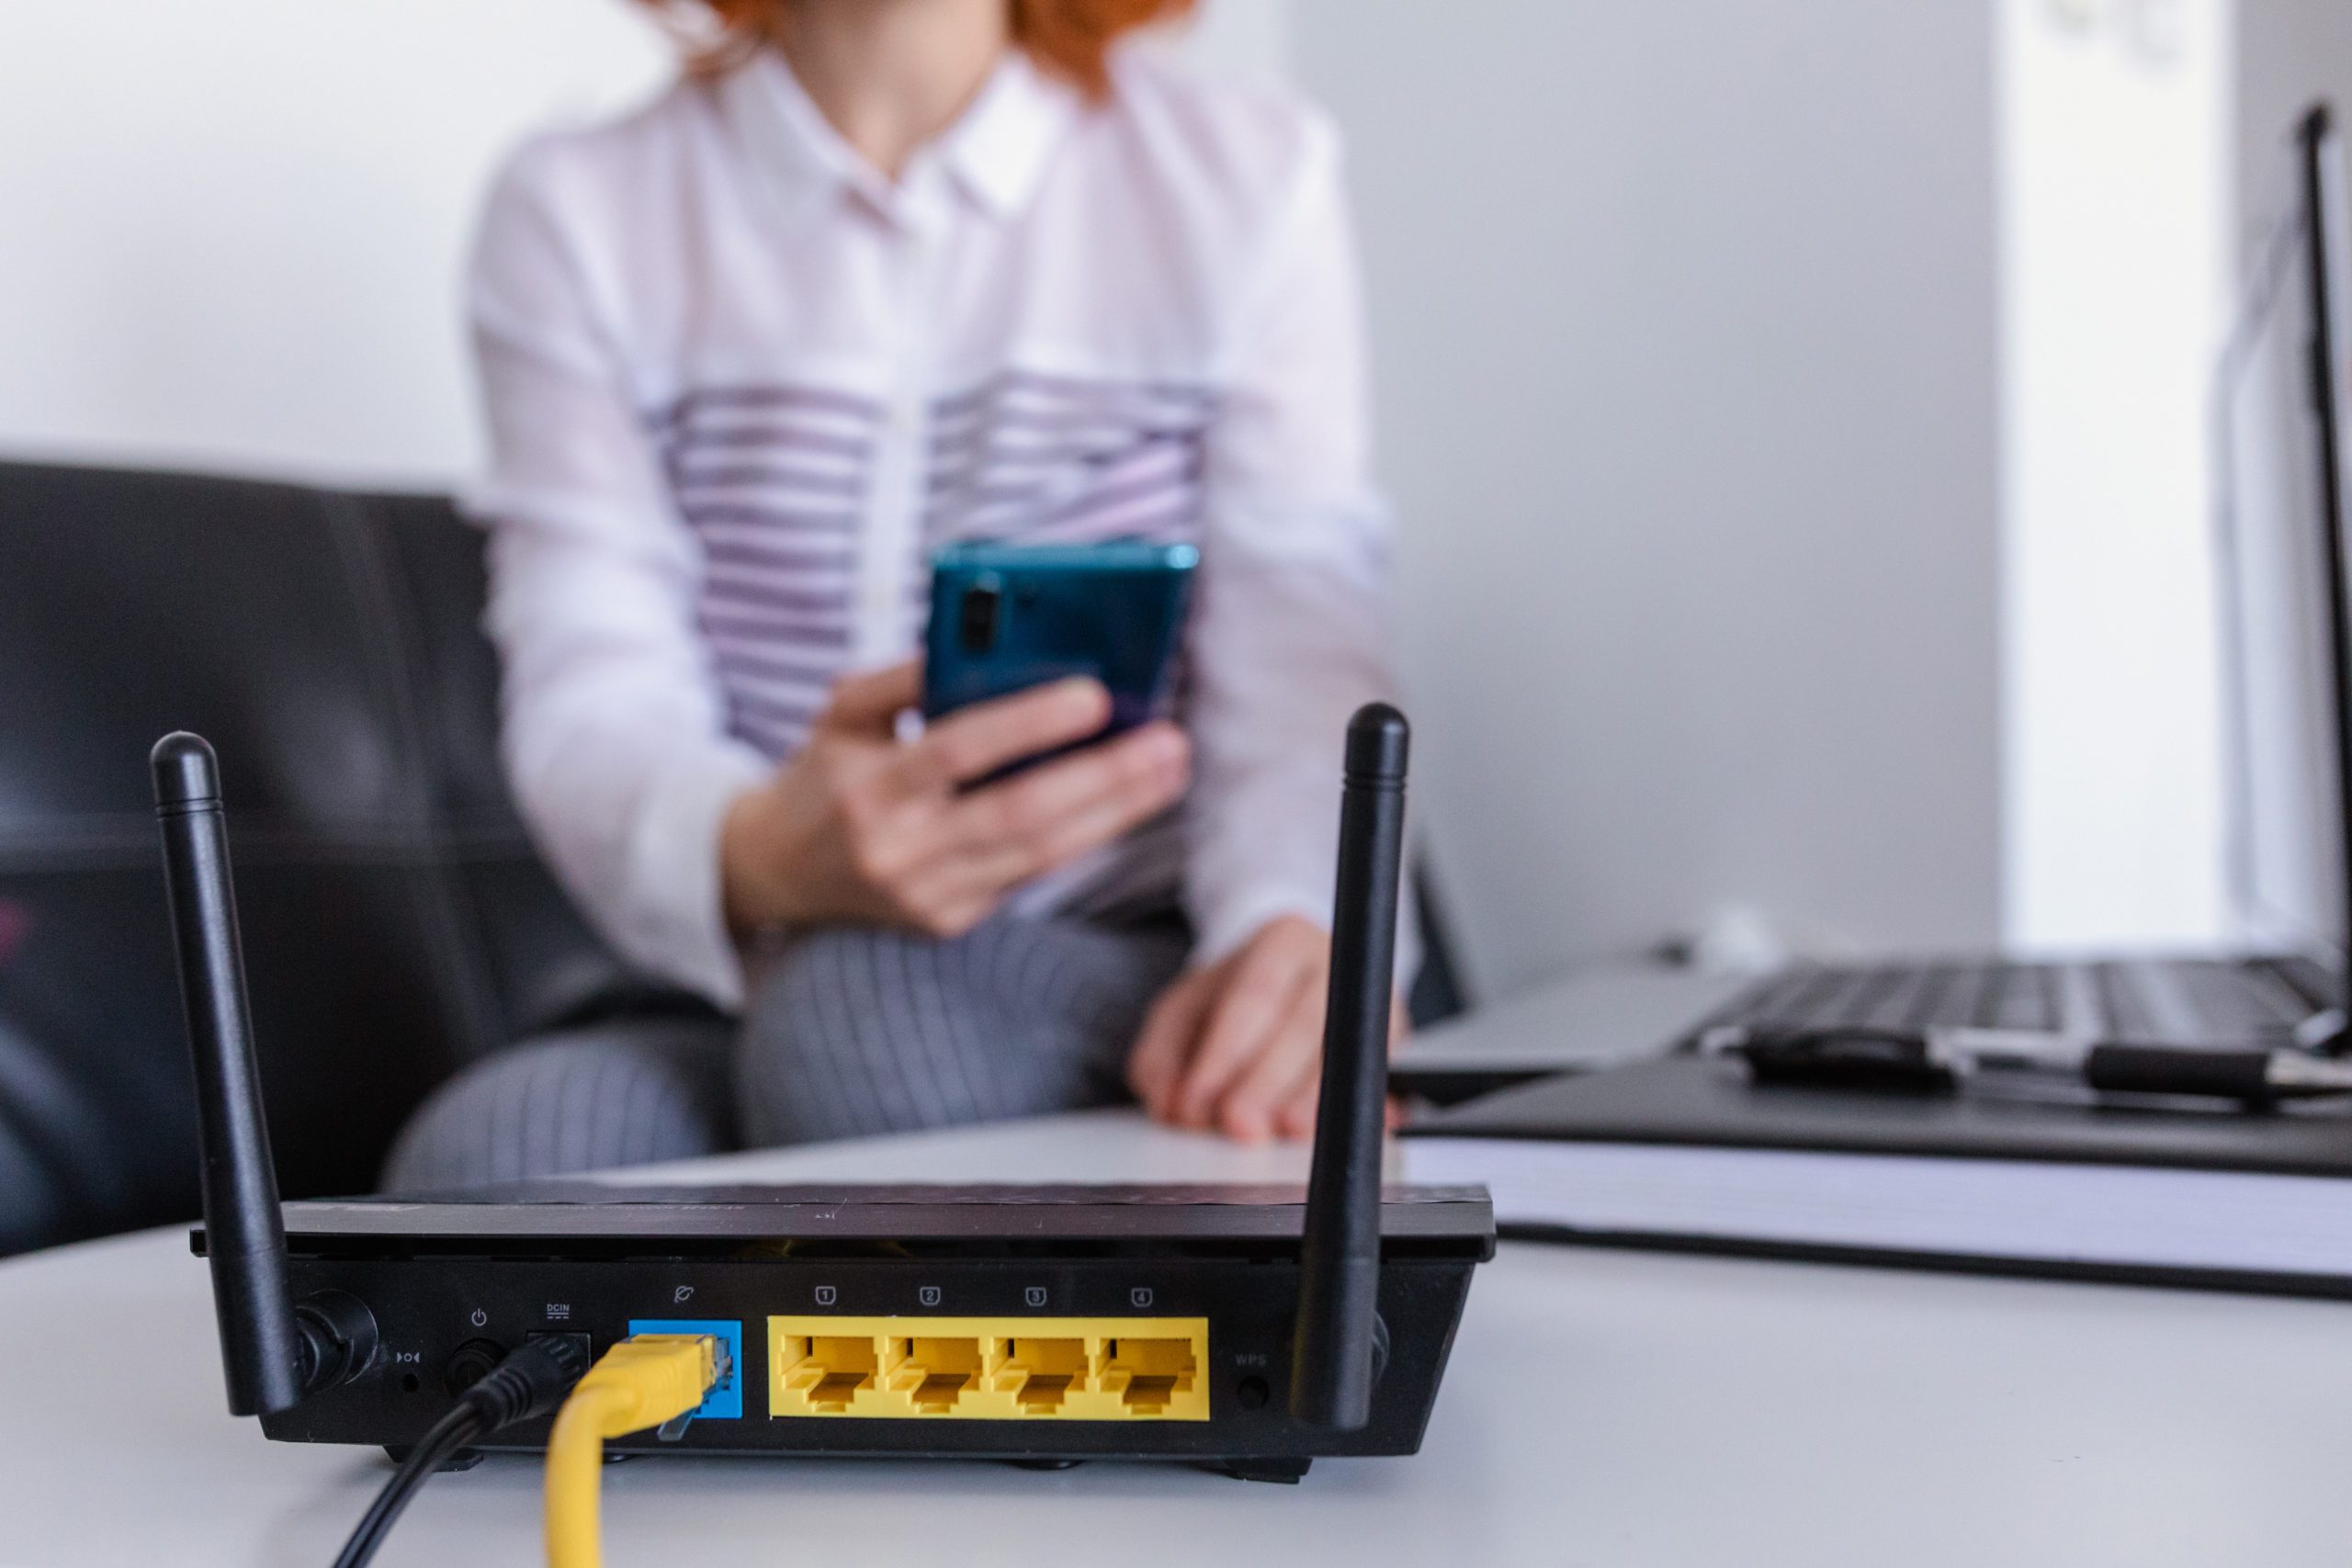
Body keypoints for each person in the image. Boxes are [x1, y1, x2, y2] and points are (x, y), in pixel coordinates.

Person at [383, 0, 1406, 1190]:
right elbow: (591, 684)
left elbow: (1299, 649)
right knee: (491, 1163)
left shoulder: (1243, 179)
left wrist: (1296, 926)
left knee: (864, 1025)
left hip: (1118, 956)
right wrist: (756, 850)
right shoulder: (578, 212)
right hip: (758, 966)